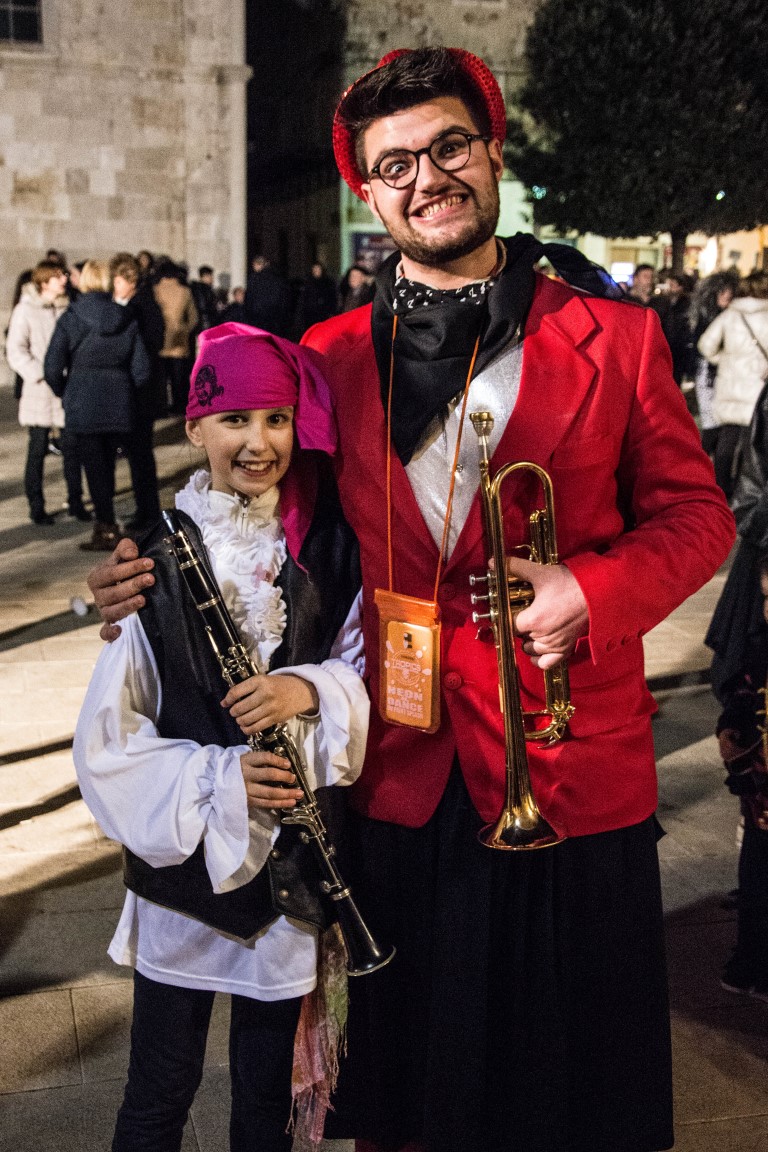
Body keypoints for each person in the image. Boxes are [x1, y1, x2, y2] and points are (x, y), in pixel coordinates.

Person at [87, 46, 734, 1152]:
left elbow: (699, 518)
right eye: (396, 165)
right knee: (418, 1088)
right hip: (401, 757)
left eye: (447, 148)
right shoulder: (326, 357)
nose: (426, 177)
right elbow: (268, 531)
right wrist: (139, 581)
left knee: (574, 1089)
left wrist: (595, 584)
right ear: (370, 193)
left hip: (568, 763)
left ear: (489, 154)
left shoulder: (616, 337)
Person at [74, 323, 367, 1152]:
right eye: (235, 419)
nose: (259, 441)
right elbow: (108, 737)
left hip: (288, 877)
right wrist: (218, 779)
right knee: (158, 1089)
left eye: (278, 418)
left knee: (265, 1101)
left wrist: (303, 689)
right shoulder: (153, 558)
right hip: (184, 876)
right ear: (196, 427)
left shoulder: (326, 543)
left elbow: (356, 664)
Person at [44, 259, 152, 551]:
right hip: (118, 402)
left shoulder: (71, 317)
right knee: (108, 464)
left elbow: (52, 366)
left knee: (93, 467)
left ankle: (105, 526)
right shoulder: (125, 318)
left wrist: (65, 392)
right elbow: (141, 370)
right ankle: (107, 525)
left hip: (82, 401)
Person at [6, 260, 88, 524]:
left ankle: (76, 501)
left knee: (72, 448)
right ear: (44, 282)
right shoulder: (26, 309)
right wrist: (40, 374)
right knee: (37, 448)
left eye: (63, 274)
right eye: (57, 276)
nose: (63, 279)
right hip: (39, 389)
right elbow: (16, 350)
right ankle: (36, 505)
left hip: (65, 387)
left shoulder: (68, 308)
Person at [698, 273, 768, 502]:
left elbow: (705, 345)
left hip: (728, 386)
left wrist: (724, 360)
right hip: (757, 389)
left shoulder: (730, 315)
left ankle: (719, 487)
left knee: (727, 440)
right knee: (752, 443)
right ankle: (745, 492)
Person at [111, 252, 165, 532]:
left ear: (129, 280)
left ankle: (148, 511)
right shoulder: (143, 303)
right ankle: (147, 509)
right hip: (142, 389)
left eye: (117, 280)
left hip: (140, 391)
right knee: (139, 453)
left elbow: (149, 344)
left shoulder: (138, 306)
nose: (114, 286)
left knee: (140, 453)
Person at [689, 271, 738, 454]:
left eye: (729, 290)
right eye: (722, 291)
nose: (727, 294)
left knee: (723, 427)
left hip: (726, 375)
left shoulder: (733, 316)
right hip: (709, 373)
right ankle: (699, 467)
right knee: (712, 424)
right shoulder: (707, 319)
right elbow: (703, 348)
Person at [153, 261, 199, 414]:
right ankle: (180, 407)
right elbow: (193, 317)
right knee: (178, 379)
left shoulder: (155, 290)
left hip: (160, 340)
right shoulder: (185, 291)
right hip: (179, 340)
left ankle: (161, 407)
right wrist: (185, 329)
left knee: (161, 379)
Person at [650, 272, 694, 385]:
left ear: (680, 287)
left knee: (675, 378)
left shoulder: (686, 304)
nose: (669, 287)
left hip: (678, 347)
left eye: (672, 284)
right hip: (665, 343)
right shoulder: (662, 301)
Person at [245, 255, 293, 337]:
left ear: (257, 265)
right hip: (275, 318)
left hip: (258, 317)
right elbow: (284, 299)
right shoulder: (278, 278)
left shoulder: (255, 279)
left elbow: (249, 299)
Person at [295, 261, 338, 335]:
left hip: (323, 315)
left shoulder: (328, 283)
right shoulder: (308, 283)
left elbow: (332, 299)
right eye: (314, 270)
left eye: (318, 269)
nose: (316, 272)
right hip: (310, 315)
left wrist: (331, 312)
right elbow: (303, 300)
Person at [190, 264, 219, 331]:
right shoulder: (202, 289)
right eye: (210, 276)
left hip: (204, 322)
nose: (212, 279)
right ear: (205, 276)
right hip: (205, 322)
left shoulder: (203, 289)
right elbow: (203, 306)